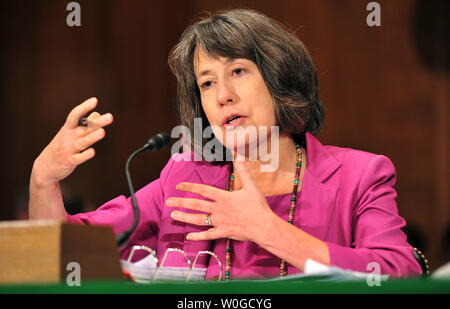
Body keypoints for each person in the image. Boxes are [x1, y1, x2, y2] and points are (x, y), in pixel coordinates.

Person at [29, 9, 421, 279]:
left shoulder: (359, 176)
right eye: (207, 83)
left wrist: (267, 230)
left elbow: (397, 271)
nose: (223, 96)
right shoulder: (185, 180)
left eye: (238, 71)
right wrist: (42, 182)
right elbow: (62, 256)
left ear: (278, 78)